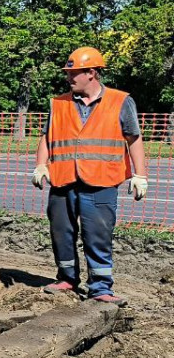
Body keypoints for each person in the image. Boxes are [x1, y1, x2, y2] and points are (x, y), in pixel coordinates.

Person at [32, 47, 148, 304]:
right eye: (68, 73)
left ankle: (101, 287)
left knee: (98, 234)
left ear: (92, 73)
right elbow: (46, 137)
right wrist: (41, 165)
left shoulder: (120, 101)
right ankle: (67, 278)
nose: (69, 78)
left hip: (101, 181)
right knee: (61, 231)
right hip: (63, 179)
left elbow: (134, 139)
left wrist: (140, 175)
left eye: (74, 73)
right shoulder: (58, 103)